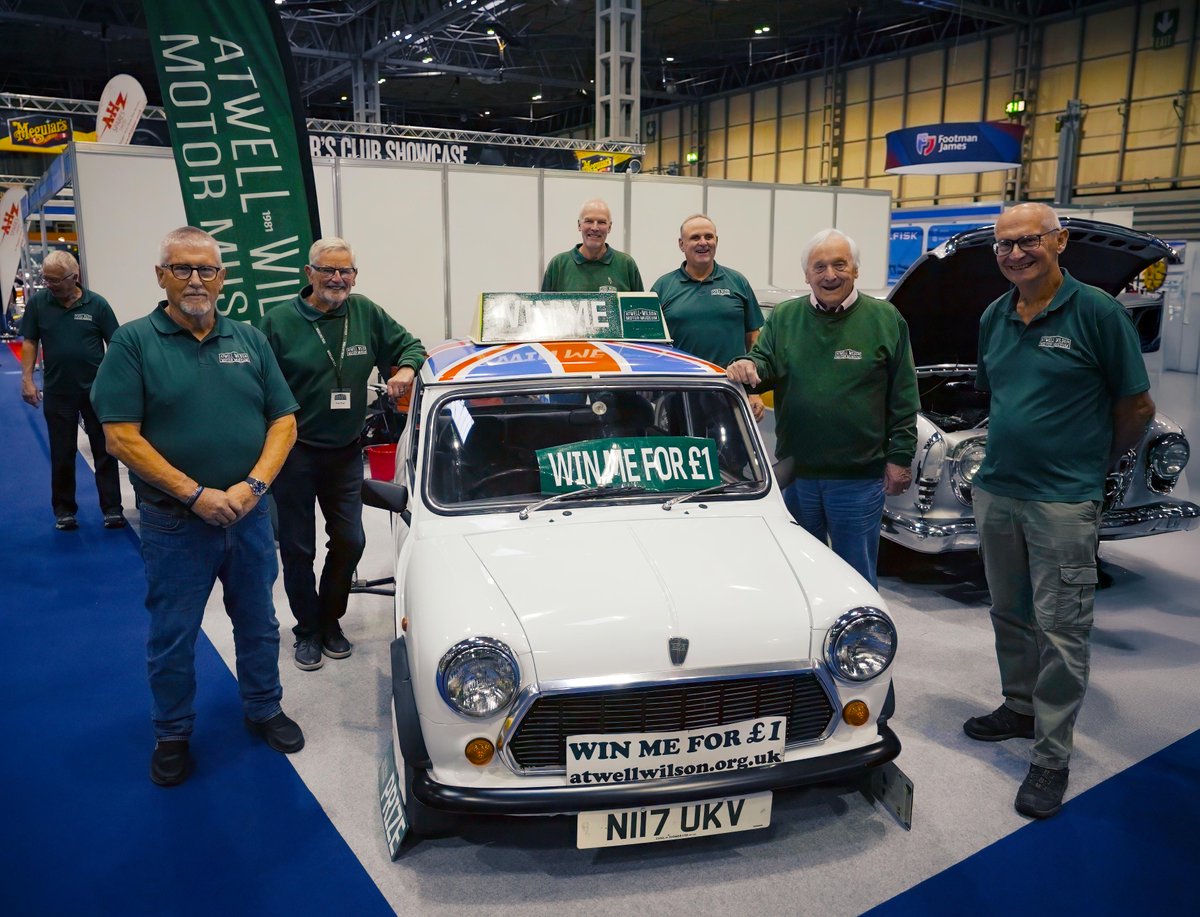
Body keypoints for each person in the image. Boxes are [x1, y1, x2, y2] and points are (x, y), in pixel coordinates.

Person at [962, 203, 1155, 819]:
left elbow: (1137, 408)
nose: (1015, 253)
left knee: (1063, 629)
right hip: (998, 492)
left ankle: (1051, 756)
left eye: (1028, 241)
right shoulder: (995, 315)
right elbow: (998, 401)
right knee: (1009, 611)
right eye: (1004, 245)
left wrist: (1090, 471)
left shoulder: (1097, 312)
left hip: (1064, 503)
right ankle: (1019, 707)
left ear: (1059, 241)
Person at [91, 227, 303, 787]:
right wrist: (195, 493)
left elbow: (283, 419)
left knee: (259, 623)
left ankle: (264, 708)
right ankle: (173, 732)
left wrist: (252, 488)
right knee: (173, 634)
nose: (195, 280)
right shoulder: (135, 343)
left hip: (250, 516)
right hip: (175, 524)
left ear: (222, 277)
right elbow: (120, 437)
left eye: (206, 270)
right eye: (182, 269)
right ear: (160, 276)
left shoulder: (250, 340)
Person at [260, 238, 426, 672]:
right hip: (294, 454)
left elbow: (410, 345)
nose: (338, 279)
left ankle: (330, 620)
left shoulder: (365, 312)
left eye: (346, 271)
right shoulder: (277, 322)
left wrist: (405, 369)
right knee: (298, 548)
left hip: (347, 452)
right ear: (308, 273)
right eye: (328, 270)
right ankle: (307, 629)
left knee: (351, 540)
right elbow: (254, 384)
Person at [727, 228, 918, 587]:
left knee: (855, 575)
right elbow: (762, 364)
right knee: (802, 575)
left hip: (857, 477)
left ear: (856, 270)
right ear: (807, 274)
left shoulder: (885, 319)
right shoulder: (785, 317)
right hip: (797, 475)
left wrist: (900, 458)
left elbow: (904, 396)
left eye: (839, 265)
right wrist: (746, 366)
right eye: (819, 267)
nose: (830, 275)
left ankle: (861, 642)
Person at [19, 251, 124, 530]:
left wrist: (113, 381)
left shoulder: (97, 304)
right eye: (46, 279)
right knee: (62, 453)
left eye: (54, 280)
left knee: (106, 450)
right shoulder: (39, 303)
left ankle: (112, 509)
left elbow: (116, 344)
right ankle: (64, 510)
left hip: (96, 392)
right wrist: (27, 380)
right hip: (58, 392)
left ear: (73, 277)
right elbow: (30, 341)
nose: (49, 285)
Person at [651, 214, 766, 420]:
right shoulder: (662, 287)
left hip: (730, 391)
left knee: (732, 452)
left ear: (716, 241)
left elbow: (754, 340)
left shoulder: (738, 282)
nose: (703, 242)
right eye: (695, 237)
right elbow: (650, 346)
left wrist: (755, 391)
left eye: (709, 237)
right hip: (679, 394)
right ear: (681, 244)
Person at [540, 199, 643, 293]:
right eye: (589, 221)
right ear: (579, 225)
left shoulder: (626, 265)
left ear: (609, 227)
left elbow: (640, 309)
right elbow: (543, 310)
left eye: (601, 222)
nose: (594, 227)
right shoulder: (558, 265)